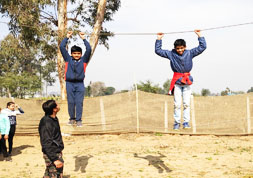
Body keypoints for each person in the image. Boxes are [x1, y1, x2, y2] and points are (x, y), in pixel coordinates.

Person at [155, 30, 207, 130]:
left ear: (185, 47)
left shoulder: (190, 53)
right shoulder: (171, 54)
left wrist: (199, 35)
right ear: (175, 48)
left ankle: (186, 122)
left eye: (182, 48)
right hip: (177, 83)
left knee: (186, 103)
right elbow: (158, 51)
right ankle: (176, 123)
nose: (180, 50)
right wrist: (159, 39)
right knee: (177, 104)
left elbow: (202, 47)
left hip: (187, 82)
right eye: (178, 48)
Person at [60, 31, 92, 127]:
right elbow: (62, 47)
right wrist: (67, 37)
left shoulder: (84, 60)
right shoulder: (68, 59)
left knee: (79, 102)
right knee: (71, 102)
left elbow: (89, 49)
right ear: (71, 54)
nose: (77, 55)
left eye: (78, 53)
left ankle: (78, 120)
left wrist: (83, 39)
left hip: (80, 84)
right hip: (69, 83)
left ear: (81, 54)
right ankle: (72, 119)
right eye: (74, 53)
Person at [39, 100, 64, 178]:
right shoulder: (46, 123)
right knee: (56, 174)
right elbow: (46, 142)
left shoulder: (54, 118)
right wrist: (55, 159)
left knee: (48, 174)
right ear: (54, 109)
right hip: (51, 153)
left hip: (55, 151)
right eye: (57, 104)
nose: (59, 105)